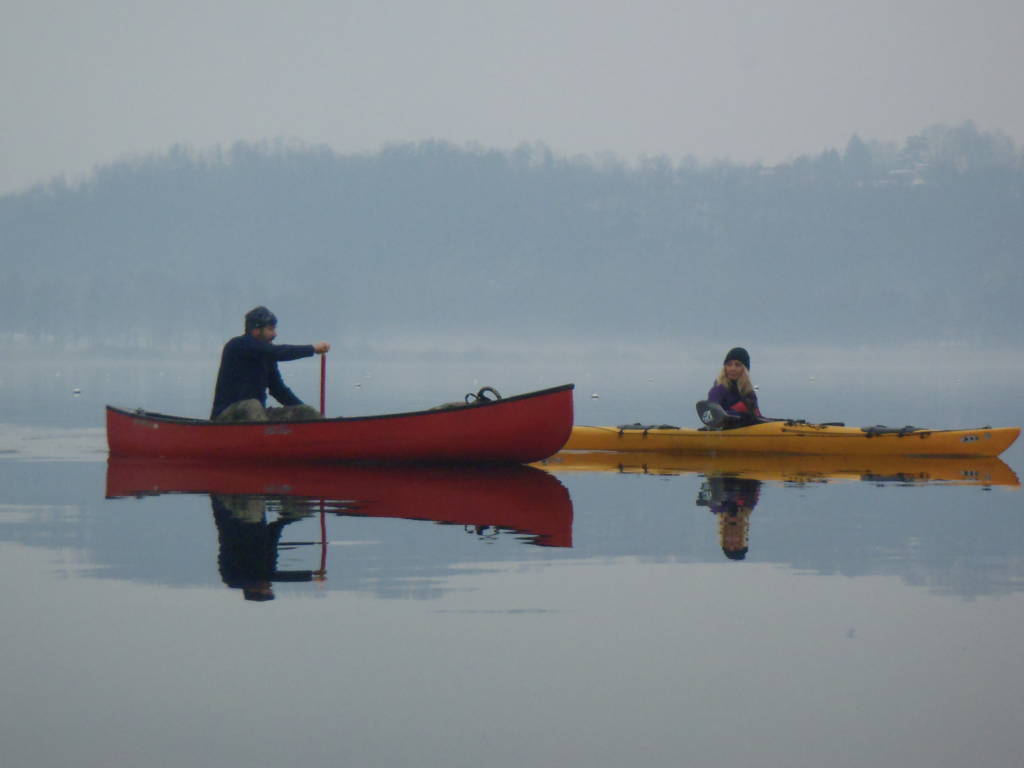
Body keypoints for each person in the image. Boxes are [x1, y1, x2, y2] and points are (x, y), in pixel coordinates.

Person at [211, 306, 331, 421]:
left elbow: (278, 390)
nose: (275, 334)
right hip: (226, 417)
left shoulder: (267, 355)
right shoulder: (238, 345)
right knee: (252, 405)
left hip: (256, 416)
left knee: (306, 412)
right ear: (256, 330)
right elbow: (278, 352)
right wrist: (312, 349)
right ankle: (263, 440)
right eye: (270, 329)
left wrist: (303, 412)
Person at [706, 347, 762, 427]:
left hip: (745, 433)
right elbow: (712, 415)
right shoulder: (719, 390)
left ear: (744, 369)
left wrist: (778, 422)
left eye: (737, 365)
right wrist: (742, 415)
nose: (732, 369)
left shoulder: (749, 393)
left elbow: (758, 417)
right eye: (729, 364)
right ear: (725, 368)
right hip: (723, 433)